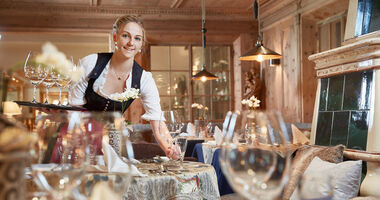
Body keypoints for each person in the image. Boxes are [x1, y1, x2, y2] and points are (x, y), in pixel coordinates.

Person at [69, 15, 179, 160]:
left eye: (137, 38)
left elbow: (158, 123)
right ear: (115, 37)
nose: (131, 43)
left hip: (113, 143)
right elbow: (73, 111)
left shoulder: (144, 79)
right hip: (79, 140)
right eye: (125, 36)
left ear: (141, 45)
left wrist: (169, 148)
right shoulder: (90, 64)